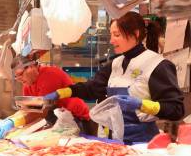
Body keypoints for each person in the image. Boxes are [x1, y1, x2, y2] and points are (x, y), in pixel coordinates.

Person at [44, 11, 184, 144]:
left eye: (116, 35)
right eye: (111, 34)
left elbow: (176, 109)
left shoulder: (157, 65)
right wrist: (63, 92)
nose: (111, 40)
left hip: (142, 144)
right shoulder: (116, 63)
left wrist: (141, 105)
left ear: (135, 34)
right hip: (113, 141)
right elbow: (93, 88)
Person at [0, 55, 91, 139]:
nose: (19, 79)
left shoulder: (50, 75)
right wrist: (9, 119)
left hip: (77, 119)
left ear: (32, 66)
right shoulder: (27, 85)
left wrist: (13, 122)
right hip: (58, 120)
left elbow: (41, 111)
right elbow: (28, 109)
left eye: (20, 74)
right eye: (16, 77)